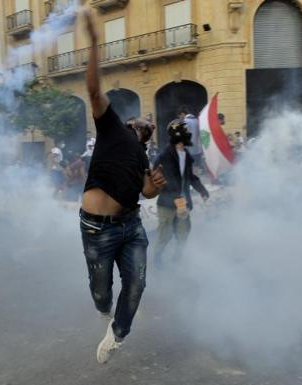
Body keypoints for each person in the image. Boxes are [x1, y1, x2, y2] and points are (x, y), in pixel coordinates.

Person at [79, 9, 166, 364]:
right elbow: (94, 89)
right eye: (145, 119)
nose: (150, 122)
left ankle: (117, 335)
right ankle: (105, 310)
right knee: (102, 292)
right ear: (132, 123)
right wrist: (96, 42)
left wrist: (155, 188)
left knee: (138, 283)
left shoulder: (145, 157)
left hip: (132, 226)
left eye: (152, 124)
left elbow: (146, 193)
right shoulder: (113, 129)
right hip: (97, 228)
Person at [152, 119, 209, 267]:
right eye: (187, 133)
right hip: (168, 203)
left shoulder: (186, 155)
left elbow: (190, 177)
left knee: (183, 233)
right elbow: (170, 182)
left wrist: (202, 190)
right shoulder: (166, 155)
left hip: (182, 203)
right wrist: (180, 204)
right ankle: (157, 259)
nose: (190, 135)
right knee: (165, 234)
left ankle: (177, 260)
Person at [178, 106, 205, 173]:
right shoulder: (197, 121)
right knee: (196, 166)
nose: (180, 118)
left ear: (182, 114)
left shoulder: (185, 122)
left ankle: (189, 181)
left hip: (188, 149)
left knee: (187, 167)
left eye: (179, 115)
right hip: (197, 149)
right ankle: (195, 180)